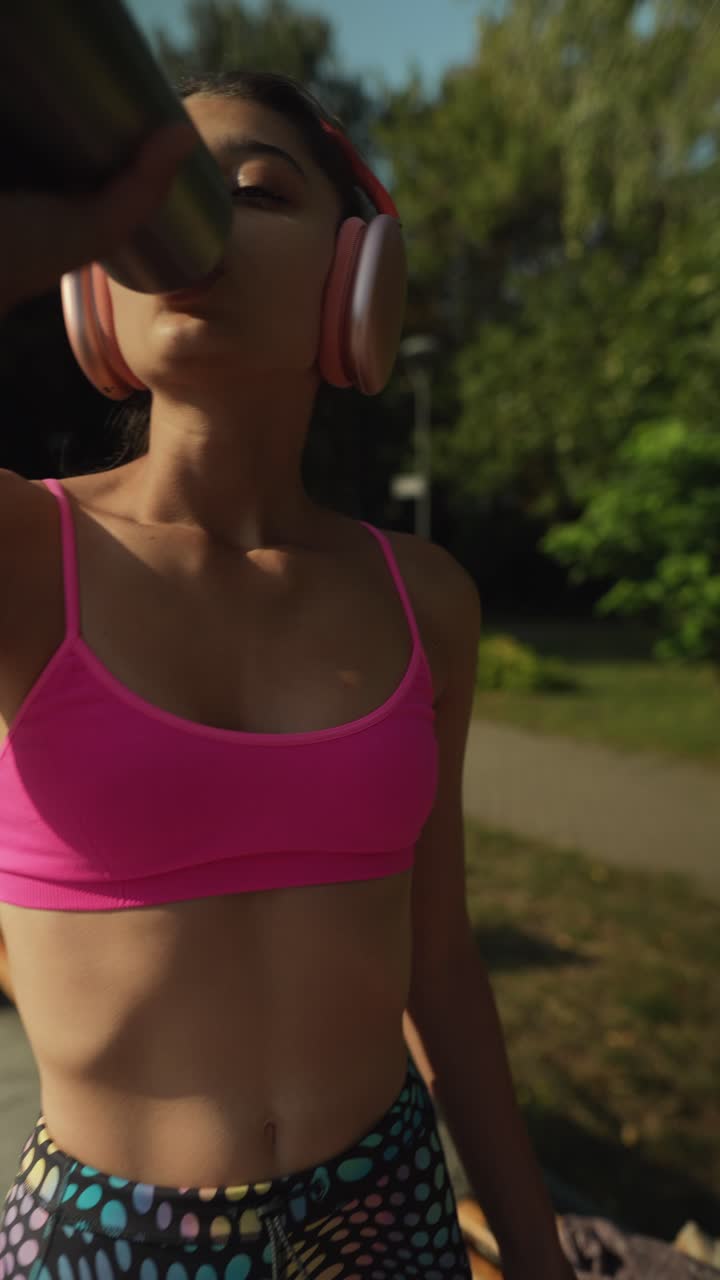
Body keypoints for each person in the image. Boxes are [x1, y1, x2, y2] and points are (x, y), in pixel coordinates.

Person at [0, 70, 575, 1280]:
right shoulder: (24, 558)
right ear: (94, 285)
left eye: (251, 191)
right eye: (158, 201)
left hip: (390, 1210)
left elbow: (442, 961)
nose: (187, 228)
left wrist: (535, 1249)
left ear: (354, 272)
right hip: (110, 1241)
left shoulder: (427, 600)